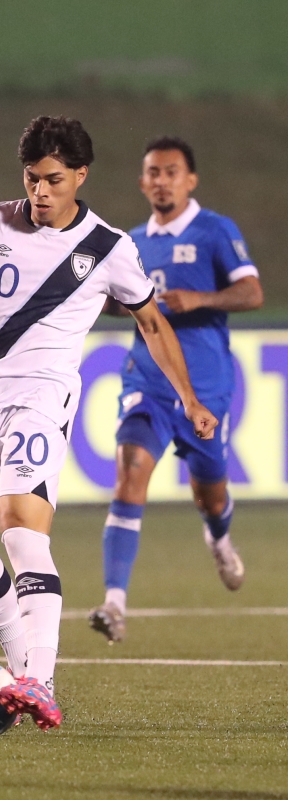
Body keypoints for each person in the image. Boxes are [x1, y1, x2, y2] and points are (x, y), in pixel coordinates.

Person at [0, 116, 218, 730]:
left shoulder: (108, 247)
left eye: (54, 180)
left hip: (41, 398)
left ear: (80, 176)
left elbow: (152, 323)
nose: (40, 191)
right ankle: (22, 661)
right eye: (32, 178)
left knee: (22, 529)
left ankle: (40, 679)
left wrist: (188, 398)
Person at [89, 136, 263, 644]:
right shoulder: (131, 242)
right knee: (129, 473)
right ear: (142, 182)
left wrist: (200, 299)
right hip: (147, 382)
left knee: (211, 492)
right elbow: (117, 303)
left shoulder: (214, 230)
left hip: (205, 391)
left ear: (190, 180)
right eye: (154, 173)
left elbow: (252, 292)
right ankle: (114, 603)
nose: (162, 180)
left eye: (171, 172)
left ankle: (219, 537)